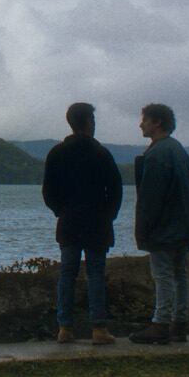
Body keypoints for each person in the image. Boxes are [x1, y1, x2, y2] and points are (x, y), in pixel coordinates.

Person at [42, 102, 124, 345]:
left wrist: (61, 210)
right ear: (89, 122)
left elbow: (48, 191)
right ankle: (98, 329)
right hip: (97, 222)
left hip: (68, 221)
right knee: (96, 273)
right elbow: (116, 189)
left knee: (67, 273)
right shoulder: (101, 153)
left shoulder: (57, 153)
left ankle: (64, 328)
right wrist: (109, 215)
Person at [129, 103, 189, 345]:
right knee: (180, 274)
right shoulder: (179, 150)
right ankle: (179, 323)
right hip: (185, 224)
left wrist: (144, 229)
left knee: (162, 274)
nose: (141, 124)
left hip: (165, 226)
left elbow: (150, 197)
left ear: (157, 123)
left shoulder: (158, 153)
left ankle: (161, 323)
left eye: (145, 120)